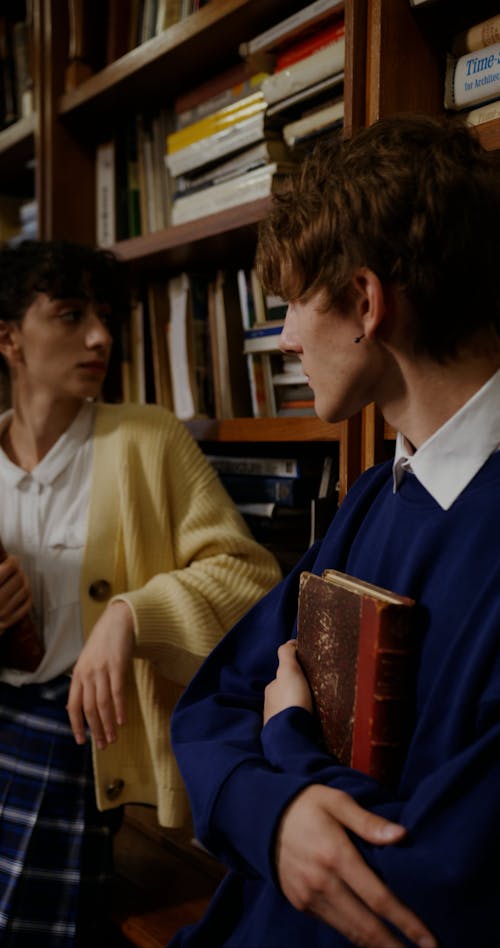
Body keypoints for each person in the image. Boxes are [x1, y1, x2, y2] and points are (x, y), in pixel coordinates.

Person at [168, 113, 500, 948]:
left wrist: (285, 742)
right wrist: (277, 819)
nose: (283, 341)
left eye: (291, 305)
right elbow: (211, 705)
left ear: (364, 302)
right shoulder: (375, 495)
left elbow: (439, 880)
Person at [0, 238, 281, 946]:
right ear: (9, 340)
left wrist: (132, 613)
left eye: (104, 315)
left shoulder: (147, 439)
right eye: (69, 315)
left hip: (76, 745)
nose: (100, 336)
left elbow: (249, 578)